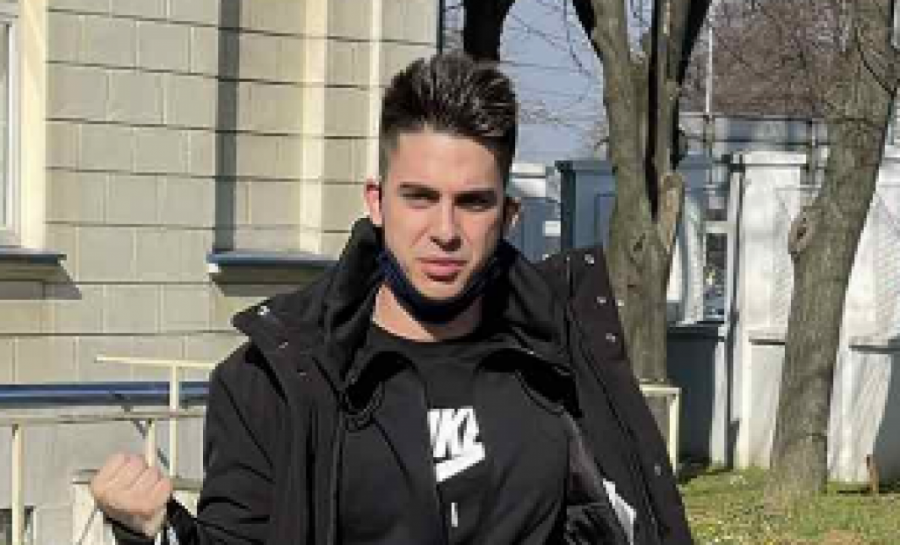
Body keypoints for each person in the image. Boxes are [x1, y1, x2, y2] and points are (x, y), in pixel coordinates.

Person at [90, 52, 693, 545]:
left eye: (472, 202)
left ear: (509, 215)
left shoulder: (565, 357)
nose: (445, 231)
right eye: (420, 197)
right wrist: (154, 533)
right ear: (377, 202)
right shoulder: (274, 380)